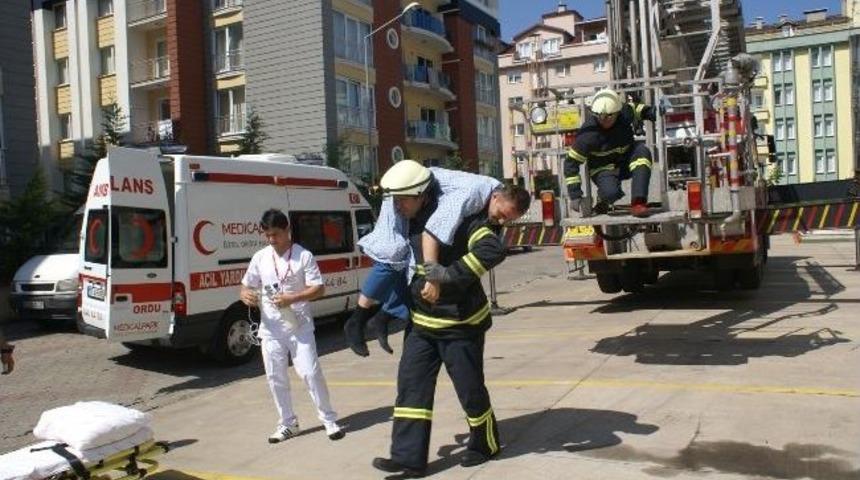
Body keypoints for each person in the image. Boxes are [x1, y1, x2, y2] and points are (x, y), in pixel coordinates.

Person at [370, 166, 530, 477]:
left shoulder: (467, 215)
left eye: (403, 200)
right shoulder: (408, 217)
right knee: (411, 388)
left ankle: (486, 442)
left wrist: (446, 275)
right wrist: (377, 309)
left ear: (420, 195)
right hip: (422, 324)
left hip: (461, 325)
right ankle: (407, 458)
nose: (398, 206)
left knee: (470, 390)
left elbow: (490, 249)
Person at [343, 160, 503, 357]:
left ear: (422, 196)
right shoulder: (469, 196)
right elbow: (432, 233)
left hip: (458, 319)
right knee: (392, 253)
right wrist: (434, 277)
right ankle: (357, 319)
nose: (501, 219)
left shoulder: (467, 197)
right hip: (407, 183)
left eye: (402, 200)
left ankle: (384, 316)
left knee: (406, 265)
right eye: (502, 214)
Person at [239, 209, 344, 443]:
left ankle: (328, 419)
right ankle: (287, 423)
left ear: (288, 231)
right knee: (275, 377)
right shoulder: (260, 257)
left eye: (275, 234)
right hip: (271, 329)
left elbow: (319, 288)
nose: (271, 240)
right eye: (267, 235)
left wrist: (292, 299)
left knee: (310, 373)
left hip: (299, 326)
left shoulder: (303, 256)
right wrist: (246, 295)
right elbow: (246, 286)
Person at [565, 88, 660, 217]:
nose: (604, 119)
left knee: (642, 151)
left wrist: (654, 112)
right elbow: (570, 164)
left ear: (617, 112)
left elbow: (638, 109)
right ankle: (603, 200)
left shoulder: (624, 113)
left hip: (626, 159)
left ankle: (638, 203)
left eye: (609, 116)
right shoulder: (587, 135)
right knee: (611, 193)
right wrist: (575, 194)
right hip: (602, 168)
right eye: (600, 115)